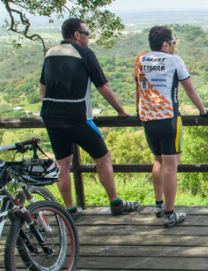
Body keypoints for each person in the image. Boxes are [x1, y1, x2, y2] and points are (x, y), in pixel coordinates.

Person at [39, 18, 141, 218]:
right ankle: (116, 203)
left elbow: (43, 85)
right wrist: (121, 111)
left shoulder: (50, 53)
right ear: (77, 35)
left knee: (63, 164)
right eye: (87, 33)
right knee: (103, 157)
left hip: (51, 117)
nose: (88, 37)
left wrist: (48, 105)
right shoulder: (84, 53)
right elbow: (102, 86)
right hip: (78, 117)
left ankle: (70, 210)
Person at [136, 26, 208, 228]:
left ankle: (159, 205)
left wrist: (139, 111)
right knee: (171, 166)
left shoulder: (141, 60)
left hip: (147, 118)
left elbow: (139, 89)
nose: (174, 45)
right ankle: (170, 214)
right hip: (169, 119)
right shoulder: (174, 61)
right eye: (173, 42)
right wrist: (204, 112)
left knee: (158, 162)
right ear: (165, 44)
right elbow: (190, 90)